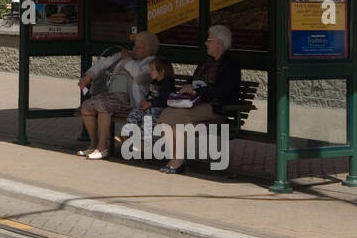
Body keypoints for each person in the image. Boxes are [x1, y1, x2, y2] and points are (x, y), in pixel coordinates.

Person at [157, 24, 241, 173]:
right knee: (167, 116)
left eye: (209, 40)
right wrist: (187, 88)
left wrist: (197, 90)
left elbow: (223, 90)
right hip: (195, 105)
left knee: (177, 116)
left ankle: (177, 161)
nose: (206, 43)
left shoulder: (230, 64)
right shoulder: (206, 63)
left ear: (220, 43)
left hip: (215, 107)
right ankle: (175, 159)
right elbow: (192, 80)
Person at [76, 30, 158, 160]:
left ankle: (102, 147)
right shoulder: (127, 56)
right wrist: (88, 76)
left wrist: (126, 60)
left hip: (129, 99)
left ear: (149, 49)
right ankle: (94, 144)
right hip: (111, 95)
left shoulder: (151, 62)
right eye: (134, 45)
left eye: (139, 46)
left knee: (103, 106)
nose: (134, 49)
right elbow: (103, 63)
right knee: (86, 107)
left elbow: (139, 75)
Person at [124, 56, 174, 154]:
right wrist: (145, 100)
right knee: (135, 112)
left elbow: (164, 99)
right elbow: (150, 94)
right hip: (149, 106)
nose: (150, 72)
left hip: (160, 109)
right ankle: (129, 134)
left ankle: (144, 142)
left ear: (162, 71)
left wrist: (150, 103)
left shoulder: (167, 84)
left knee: (148, 118)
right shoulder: (154, 82)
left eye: (152, 70)